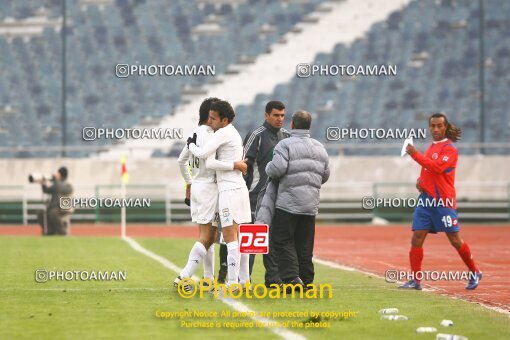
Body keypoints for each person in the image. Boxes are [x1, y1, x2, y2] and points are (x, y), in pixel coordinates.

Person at [401, 112, 482, 290]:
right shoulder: (431, 147)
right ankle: (416, 281)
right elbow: (429, 169)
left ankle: (474, 271)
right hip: (426, 201)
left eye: (439, 125)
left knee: (454, 239)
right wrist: (421, 182)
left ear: (445, 127)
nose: (436, 129)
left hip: (443, 202)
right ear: (429, 127)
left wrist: (414, 154)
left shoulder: (450, 149)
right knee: (417, 237)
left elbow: (437, 168)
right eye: (433, 126)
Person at [174, 98, 247, 290]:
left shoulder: (194, 134)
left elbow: (181, 161)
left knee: (208, 236)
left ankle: (208, 278)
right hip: (212, 188)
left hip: (197, 186)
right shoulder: (212, 134)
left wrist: (189, 183)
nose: (212, 120)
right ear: (209, 117)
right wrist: (235, 164)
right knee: (209, 237)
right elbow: (208, 159)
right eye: (211, 116)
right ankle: (185, 276)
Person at [218, 100, 289, 286]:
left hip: (279, 198)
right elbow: (244, 165)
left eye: (282, 115)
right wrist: (243, 193)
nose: (280, 119)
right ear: (266, 115)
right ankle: (244, 279)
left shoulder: (287, 136)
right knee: (250, 240)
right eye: (276, 115)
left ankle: (273, 281)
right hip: (255, 197)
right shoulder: (256, 135)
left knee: (274, 240)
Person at [265, 110, 330, 289]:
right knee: (304, 244)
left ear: (292, 124)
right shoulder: (320, 147)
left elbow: (276, 170)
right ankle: (307, 280)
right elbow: (325, 175)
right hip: (310, 205)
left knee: (282, 240)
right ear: (309, 126)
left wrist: (268, 167)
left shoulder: (284, 144)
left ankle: (292, 278)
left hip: (288, 203)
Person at [37, 167, 73, 235]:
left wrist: (56, 180)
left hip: (63, 207)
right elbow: (47, 190)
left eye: (58, 174)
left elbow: (60, 188)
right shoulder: (56, 184)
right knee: (41, 213)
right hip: (53, 207)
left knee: (53, 213)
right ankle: (49, 230)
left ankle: (62, 232)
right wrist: (43, 184)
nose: (56, 175)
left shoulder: (67, 185)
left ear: (61, 175)